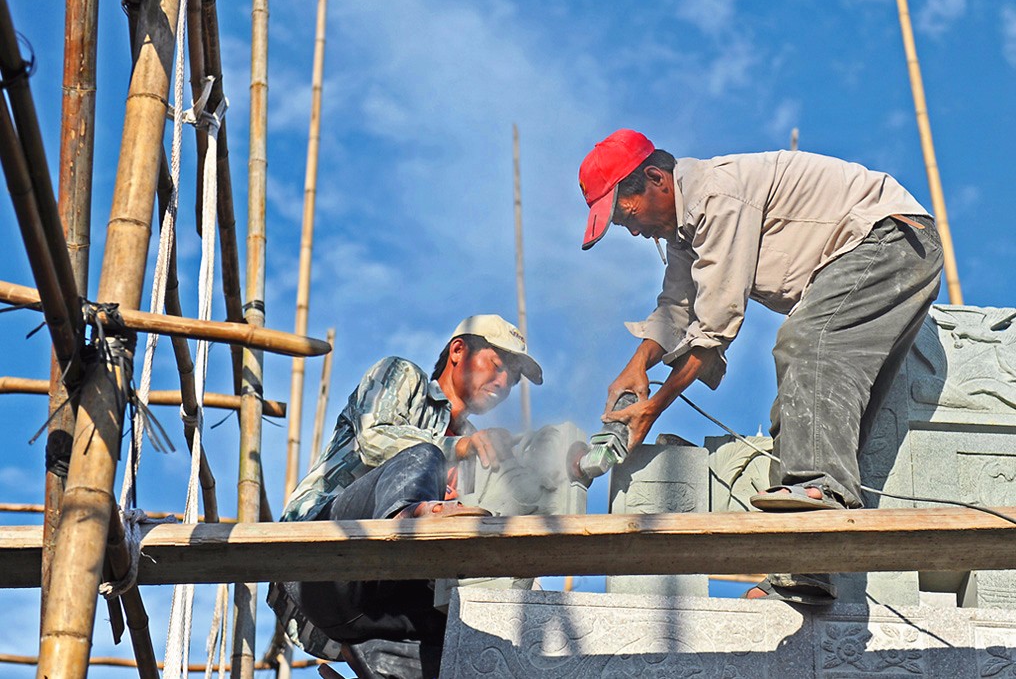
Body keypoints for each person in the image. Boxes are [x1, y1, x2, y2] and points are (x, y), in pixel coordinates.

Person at [577, 129, 944, 604]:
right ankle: (807, 570)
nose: (633, 231)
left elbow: (712, 332)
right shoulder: (685, 233)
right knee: (806, 410)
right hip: (878, 253)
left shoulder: (716, 195)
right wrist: (636, 366)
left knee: (806, 344)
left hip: (890, 238)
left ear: (654, 179)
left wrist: (653, 409)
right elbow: (674, 310)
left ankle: (815, 495)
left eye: (627, 216)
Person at [268, 314, 543, 678]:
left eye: (514, 377)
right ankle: (407, 525)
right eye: (498, 363)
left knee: (471, 648)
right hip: (322, 554)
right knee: (421, 456)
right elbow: (375, 437)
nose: (505, 380)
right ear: (458, 351)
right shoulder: (404, 378)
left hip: (376, 609)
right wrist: (456, 448)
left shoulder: (479, 448)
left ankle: (379, 668)